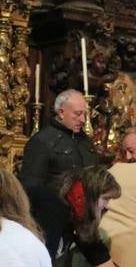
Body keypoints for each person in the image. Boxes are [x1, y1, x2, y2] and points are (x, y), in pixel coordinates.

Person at [18, 89, 100, 258]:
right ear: (61, 112)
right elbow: (31, 186)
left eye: (84, 114)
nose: (83, 120)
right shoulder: (42, 141)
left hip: (86, 218)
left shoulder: (85, 141)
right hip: (52, 221)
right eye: (78, 114)